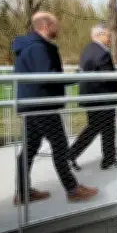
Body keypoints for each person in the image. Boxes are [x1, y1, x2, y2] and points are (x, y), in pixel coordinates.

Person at [12, 12, 98, 204]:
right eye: (55, 25)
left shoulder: (33, 46)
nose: (58, 29)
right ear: (45, 26)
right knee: (60, 146)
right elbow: (48, 77)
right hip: (41, 105)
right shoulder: (38, 48)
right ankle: (72, 189)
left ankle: (23, 192)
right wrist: (78, 76)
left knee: (29, 149)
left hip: (33, 104)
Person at [67, 25, 117, 171]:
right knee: (102, 128)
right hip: (101, 98)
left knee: (100, 128)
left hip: (91, 96)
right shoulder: (102, 52)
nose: (109, 38)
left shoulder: (88, 49)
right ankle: (70, 155)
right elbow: (107, 76)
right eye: (108, 35)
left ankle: (108, 159)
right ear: (100, 35)